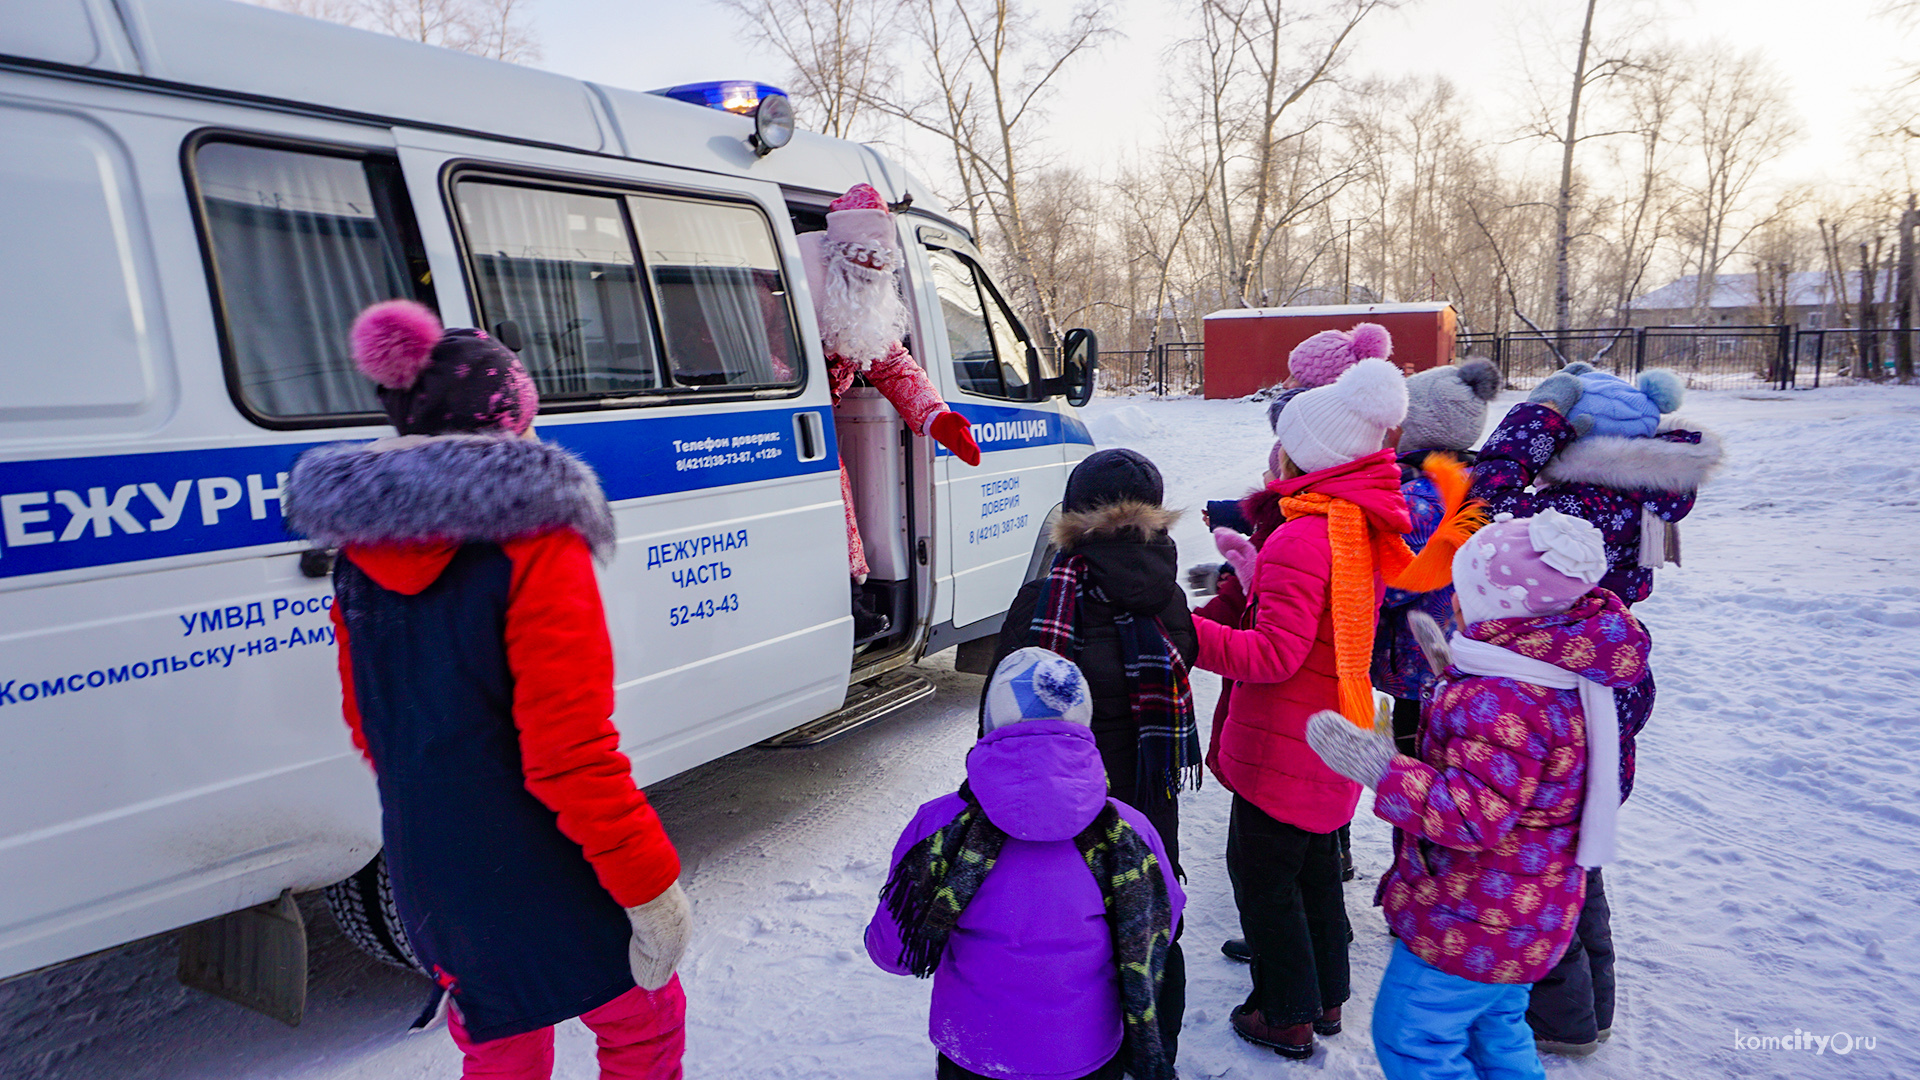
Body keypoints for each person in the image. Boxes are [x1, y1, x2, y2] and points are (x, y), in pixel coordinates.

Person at [286, 300, 692, 1080]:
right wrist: (649, 887)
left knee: (499, 1041)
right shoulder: (537, 541)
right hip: (545, 852)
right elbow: (569, 750)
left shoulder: (356, 555)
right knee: (642, 1020)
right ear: (511, 421)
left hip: (431, 863)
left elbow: (369, 725)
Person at [1305, 509, 1652, 1080]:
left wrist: (1382, 768)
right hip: (1528, 912)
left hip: (1475, 919)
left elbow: (1470, 816)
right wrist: (1456, 675)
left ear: (1501, 608)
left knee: (1412, 1040)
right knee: (1498, 1027)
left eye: (1463, 594)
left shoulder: (1505, 698)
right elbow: (1521, 755)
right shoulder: (1552, 667)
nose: (1455, 604)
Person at [1471, 363, 1723, 1055]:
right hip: (1609, 672)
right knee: (1582, 849)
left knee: (1547, 861)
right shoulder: (1639, 494)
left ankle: (1563, 1017)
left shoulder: (1565, 511)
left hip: (1558, 683)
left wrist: (1540, 414)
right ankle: (1592, 1004)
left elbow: (1486, 489)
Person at [1189, 356, 1414, 1060]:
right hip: (1335, 729)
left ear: (1305, 452)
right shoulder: (1350, 525)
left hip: (1284, 738)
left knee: (1263, 881)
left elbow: (1273, 654)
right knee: (1314, 869)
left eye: (1281, 439)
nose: (1272, 451)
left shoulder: (1299, 535)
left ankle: (1282, 1011)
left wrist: (1181, 631)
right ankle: (1325, 997)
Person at [866, 649, 1185, 1080]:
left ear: (994, 720)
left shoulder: (940, 827)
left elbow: (894, 953)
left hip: (974, 1050)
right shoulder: (1129, 833)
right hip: (1085, 1053)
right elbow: (1164, 923)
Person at [987, 448, 1199, 1061]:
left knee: (1072, 927)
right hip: (1148, 795)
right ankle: (1156, 1051)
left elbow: (1003, 711)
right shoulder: (1167, 595)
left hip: (1063, 801)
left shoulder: (1045, 599)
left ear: (1075, 516)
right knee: (1150, 916)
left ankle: (1080, 1050)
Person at [798, 183, 982, 638]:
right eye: (863, 261)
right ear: (840, 254)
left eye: (878, 265)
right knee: (821, 513)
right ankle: (840, 608)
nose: (869, 273)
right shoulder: (799, 287)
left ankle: (851, 605)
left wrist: (937, 416)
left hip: (816, 430)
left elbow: (892, 362)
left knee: (837, 508)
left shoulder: (858, 302)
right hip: (787, 426)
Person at [1373, 357, 1502, 755]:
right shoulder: (1479, 483)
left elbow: (1398, 583)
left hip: (1421, 663)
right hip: (1470, 655)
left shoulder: (1419, 498)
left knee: (1417, 771)